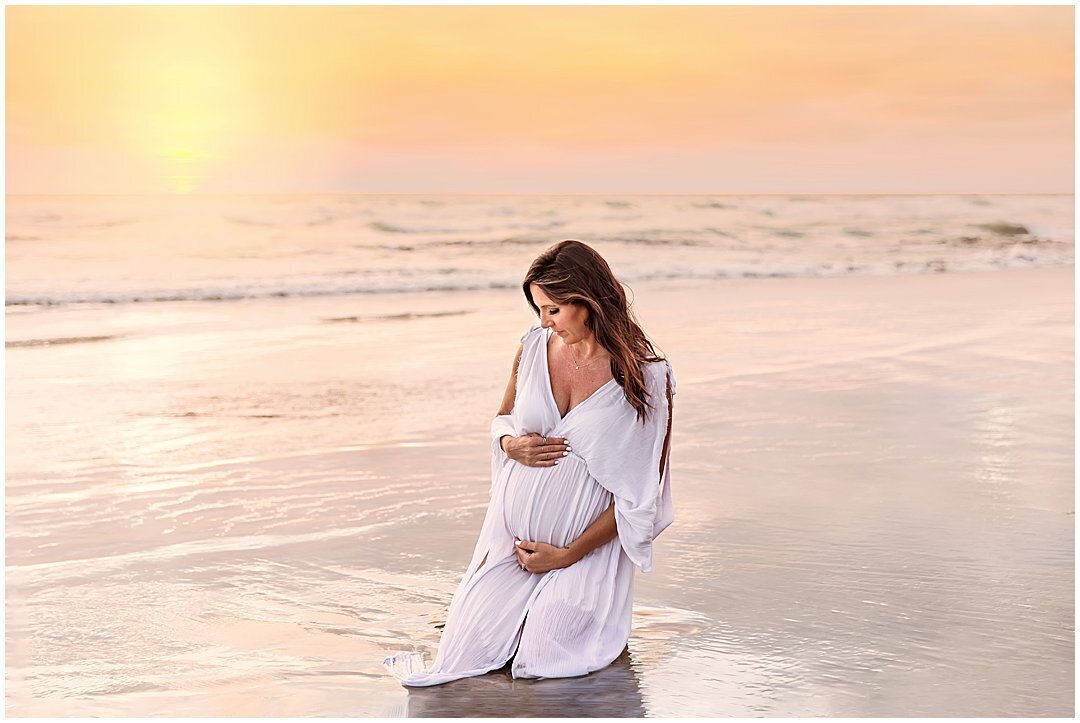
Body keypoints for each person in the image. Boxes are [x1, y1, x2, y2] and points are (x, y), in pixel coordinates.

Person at [384, 239, 676, 686]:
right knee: (465, 653)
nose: (544, 322)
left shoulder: (646, 376)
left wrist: (567, 555)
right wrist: (509, 445)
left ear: (589, 301)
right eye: (538, 309)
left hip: (582, 554)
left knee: (544, 660)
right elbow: (501, 420)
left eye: (553, 309)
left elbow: (642, 492)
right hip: (511, 545)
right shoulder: (532, 349)